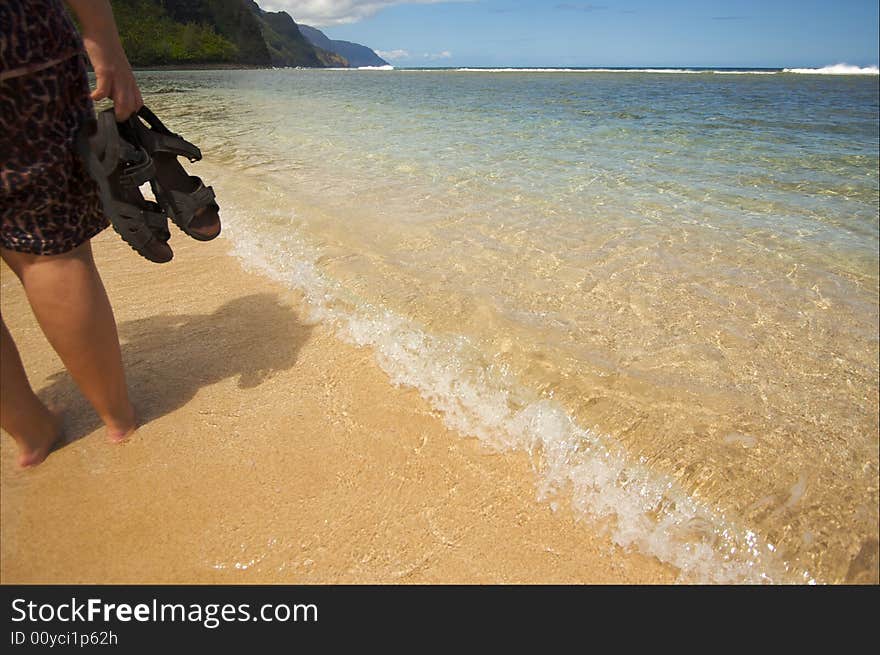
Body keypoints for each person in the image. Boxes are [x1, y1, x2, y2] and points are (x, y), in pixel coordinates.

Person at [1, 0, 143, 467]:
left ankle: (30, 429)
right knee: (47, 247)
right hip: (16, 43)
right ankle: (117, 418)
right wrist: (102, 35)